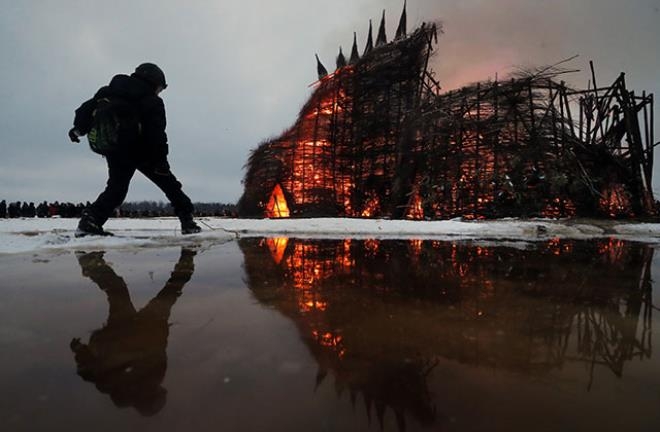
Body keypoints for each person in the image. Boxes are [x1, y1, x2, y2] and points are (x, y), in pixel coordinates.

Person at [68, 63, 201, 236]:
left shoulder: (108, 91)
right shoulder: (152, 101)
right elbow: (157, 135)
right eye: (160, 88)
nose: (159, 92)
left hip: (115, 150)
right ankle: (187, 220)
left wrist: (78, 129)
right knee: (169, 185)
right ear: (153, 82)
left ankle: (91, 220)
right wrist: (161, 163)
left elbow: (85, 110)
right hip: (141, 151)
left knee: (116, 188)